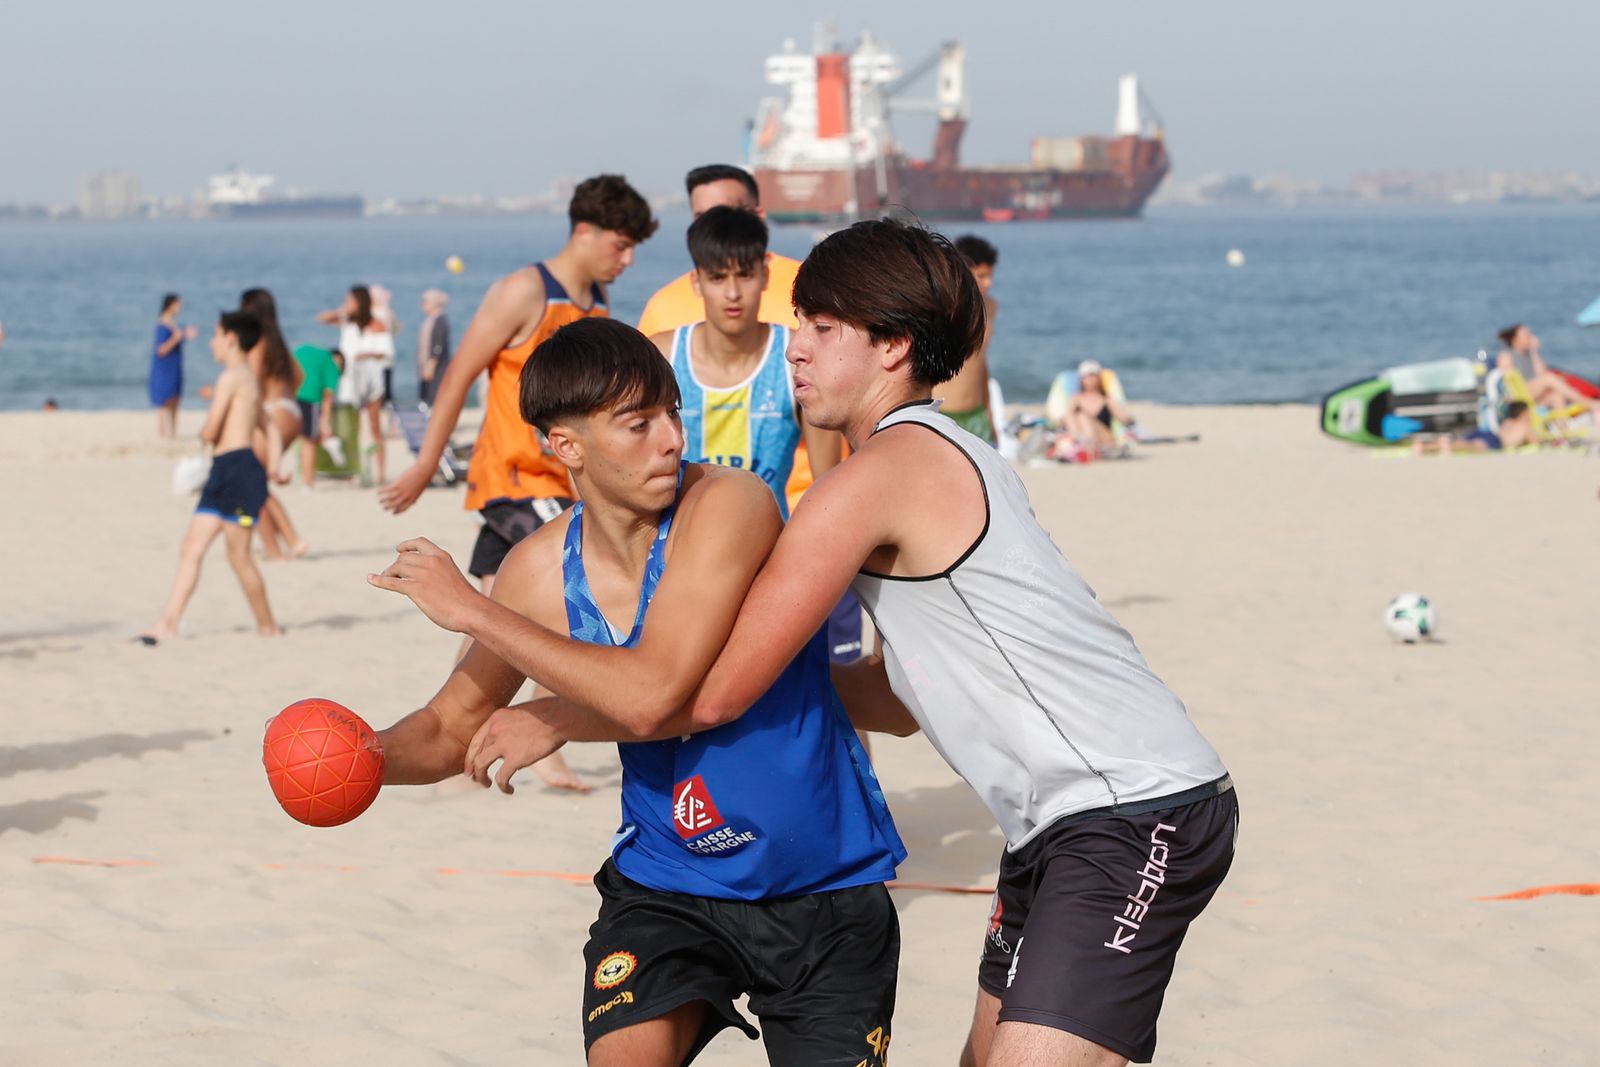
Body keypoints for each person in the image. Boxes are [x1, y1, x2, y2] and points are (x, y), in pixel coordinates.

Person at [439, 221, 1236, 1067]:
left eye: (821, 328)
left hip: (1134, 810)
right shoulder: (944, 450)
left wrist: (555, 712)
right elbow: (892, 701)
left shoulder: (873, 478)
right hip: (1052, 825)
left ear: (892, 346)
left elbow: (704, 695)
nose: (795, 348)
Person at [370, 318, 905, 1064]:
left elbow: (656, 689)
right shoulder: (535, 571)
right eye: (638, 422)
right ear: (566, 445)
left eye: (672, 413)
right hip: (667, 883)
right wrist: (360, 757)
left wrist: (478, 616)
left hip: (821, 888)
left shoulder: (731, 502)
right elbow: (451, 725)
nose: (669, 439)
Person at [378, 174, 658, 792]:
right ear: (584, 231)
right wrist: (428, 463)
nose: (628, 257)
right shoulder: (524, 290)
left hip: (565, 482)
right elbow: (460, 371)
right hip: (515, 476)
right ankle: (522, 742)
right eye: (621, 243)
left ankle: (459, 736)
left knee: (499, 620)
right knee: (558, 605)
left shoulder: (597, 302)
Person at [649, 206, 835, 516]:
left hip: (768, 554)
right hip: (675, 552)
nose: (733, 293)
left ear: (765, 275)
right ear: (696, 282)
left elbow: (828, 487)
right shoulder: (661, 355)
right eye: (718, 278)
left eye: (745, 275)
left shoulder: (800, 357)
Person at [138, 310, 280, 644]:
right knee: (191, 547)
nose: (212, 343)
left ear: (231, 339)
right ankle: (168, 623)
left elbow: (213, 427)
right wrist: (274, 466)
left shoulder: (231, 377)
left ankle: (268, 627)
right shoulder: (248, 378)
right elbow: (269, 427)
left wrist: (204, 430)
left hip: (239, 472)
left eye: (216, 336)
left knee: (238, 555)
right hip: (224, 470)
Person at [240, 288, 309, 558]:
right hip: (290, 410)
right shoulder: (278, 342)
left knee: (251, 485)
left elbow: (252, 382)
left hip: (273, 413)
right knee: (256, 485)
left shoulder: (257, 343)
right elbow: (299, 375)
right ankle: (280, 545)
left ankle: (287, 543)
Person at [321, 286, 394, 485]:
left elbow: (387, 353)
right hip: (349, 380)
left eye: (351, 301)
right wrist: (343, 311)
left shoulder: (377, 324)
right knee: (354, 429)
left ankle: (381, 472)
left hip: (371, 379)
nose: (348, 304)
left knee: (375, 427)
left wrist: (367, 355)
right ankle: (356, 469)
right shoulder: (348, 322)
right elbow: (323, 318)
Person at [932, 235, 999, 445]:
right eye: (981, 275)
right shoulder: (943, 308)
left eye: (990, 275)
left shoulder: (990, 307)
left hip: (977, 414)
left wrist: (990, 414)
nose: (989, 282)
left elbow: (980, 362)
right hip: (943, 413)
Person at [1496, 324, 1597, 412]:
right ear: (1515, 339)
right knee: (1549, 378)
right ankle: (1585, 402)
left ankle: (1561, 428)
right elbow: (1509, 383)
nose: (1530, 337)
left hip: (1533, 395)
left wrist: (1535, 352)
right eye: (1526, 335)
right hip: (1518, 395)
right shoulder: (1506, 355)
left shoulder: (1530, 355)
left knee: (1556, 395)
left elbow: (1541, 373)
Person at [292, 342, 343, 488]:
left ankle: (328, 442)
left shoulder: (309, 351)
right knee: (309, 440)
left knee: (302, 437)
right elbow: (328, 396)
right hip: (310, 396)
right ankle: (308, 483)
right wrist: (325, 422)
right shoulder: (333, 367)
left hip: (289, 392)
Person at [149, 293, 198, 439]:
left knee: (175, 397)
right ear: (170, 304)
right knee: (164, 398)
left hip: (175, 364)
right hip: (165, 366)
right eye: (177, 304)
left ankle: (173, 432)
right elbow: (161, 350)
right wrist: (177, 338)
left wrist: (185, 335)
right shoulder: (162, 324)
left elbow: (179, 339)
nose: (180, 307)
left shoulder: (174, 323)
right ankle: (163, 432)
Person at [1064, 359, 1136, 454]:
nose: (1091, 380)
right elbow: (1066, 420)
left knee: (1082, 416)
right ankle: (1079, 443)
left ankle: (1079, 445)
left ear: (1099, 378)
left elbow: (1125, 419)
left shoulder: (1106, 399)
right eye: (1087, 376)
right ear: (1081, 379)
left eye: (1094, 376)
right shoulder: (1075, 399)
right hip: (1084, 434)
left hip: (1105, 438)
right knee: (1075, 415)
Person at [1411, 401, 1533, 454]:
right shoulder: (1525, 427)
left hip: (1488, 433)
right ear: (1524, 414)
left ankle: (1424, 446)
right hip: (1496, 441)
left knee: (1462, 441)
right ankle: (1441, 445)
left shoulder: (1508, 422)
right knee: (1471, 446)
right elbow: (1535, 443)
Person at [417, 289, 452, 405]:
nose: (422, 305)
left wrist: (432, 363)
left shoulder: (440, 320)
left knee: (434, 394)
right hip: (428, 364)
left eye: (425, 302)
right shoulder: (431, 320)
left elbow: (438, 344)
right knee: (427, 394)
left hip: (437, 367)